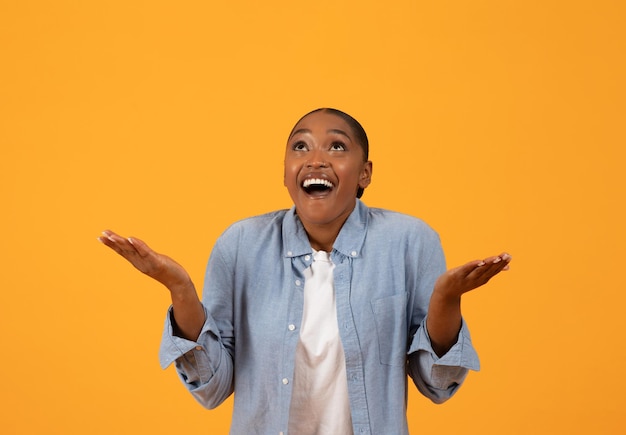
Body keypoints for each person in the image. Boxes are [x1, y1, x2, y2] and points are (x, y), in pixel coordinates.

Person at [99, 108, 511, 435]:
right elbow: (212, 387)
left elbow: (436, 384)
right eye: (300, 147)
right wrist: (180, 288)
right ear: (284, 173)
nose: (316, 159)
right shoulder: (240, 244)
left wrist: (446, 299)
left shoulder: (410, 241)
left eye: (336, 147)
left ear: (365, 173)